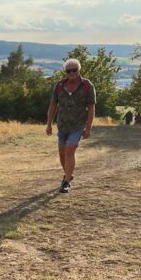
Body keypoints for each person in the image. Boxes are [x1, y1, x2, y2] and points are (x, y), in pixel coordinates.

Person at [46, 58, 96, 194]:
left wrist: (88, 128)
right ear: (65, 72)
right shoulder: (59, 85)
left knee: (69, 150)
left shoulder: (87, 86)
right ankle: (68, 174)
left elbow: (91, 108)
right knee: (62, 154)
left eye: (74, 70)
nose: (72, 73)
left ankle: (66, 182)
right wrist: (49, 124)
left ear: (79, 70)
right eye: (69, 71)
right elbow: (53, 105)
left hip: (78, 125)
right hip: (62, 125)